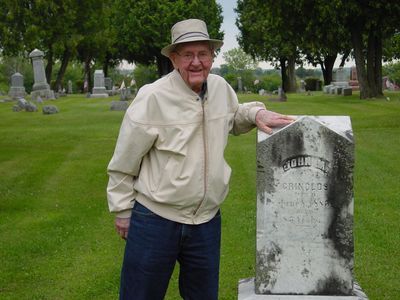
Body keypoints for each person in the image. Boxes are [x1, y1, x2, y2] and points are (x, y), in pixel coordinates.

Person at [107, 19, 293, 300]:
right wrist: (122, 210)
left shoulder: (219, 88)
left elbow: (234, 116)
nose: (197, 62)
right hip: (156, 219)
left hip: (206, 221)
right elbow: (124, 161)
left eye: (203, 54)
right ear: (174, 59)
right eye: (188, 55)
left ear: (212, 56)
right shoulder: (152, 98)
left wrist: (256, 114)